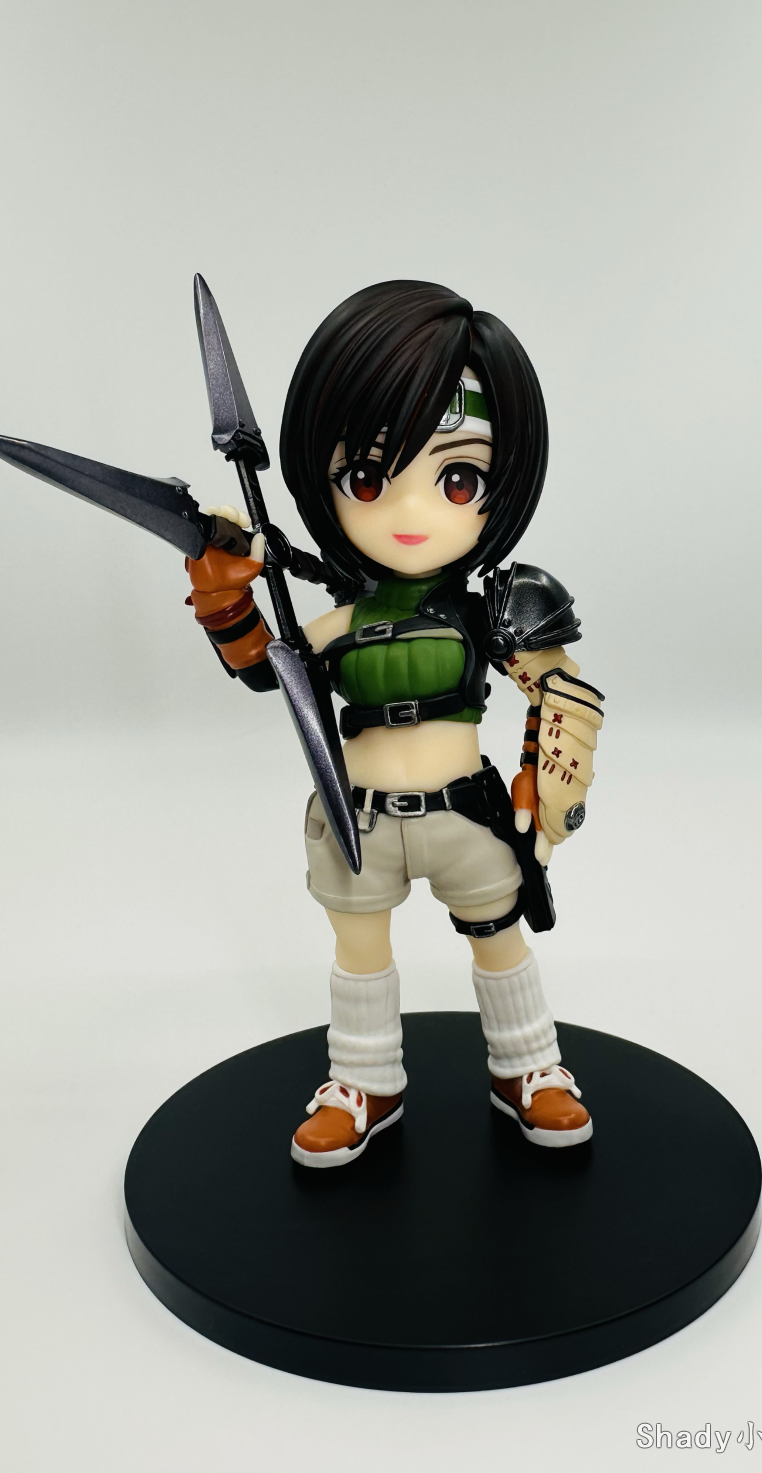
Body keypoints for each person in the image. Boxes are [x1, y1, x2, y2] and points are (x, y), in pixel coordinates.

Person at [185, 281, 604, 1167]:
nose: (410, 514)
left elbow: (563, 695)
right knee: (359, 949)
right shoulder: (338, 622)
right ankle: (365, 1080)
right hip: (358, 817)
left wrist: (550, 795)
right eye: (369, 479)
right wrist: (225, 597)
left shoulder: (493, 611)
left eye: (458, 479)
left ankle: (529, 1066)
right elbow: (264, 669)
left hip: (467, 816)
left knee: (499, 938)